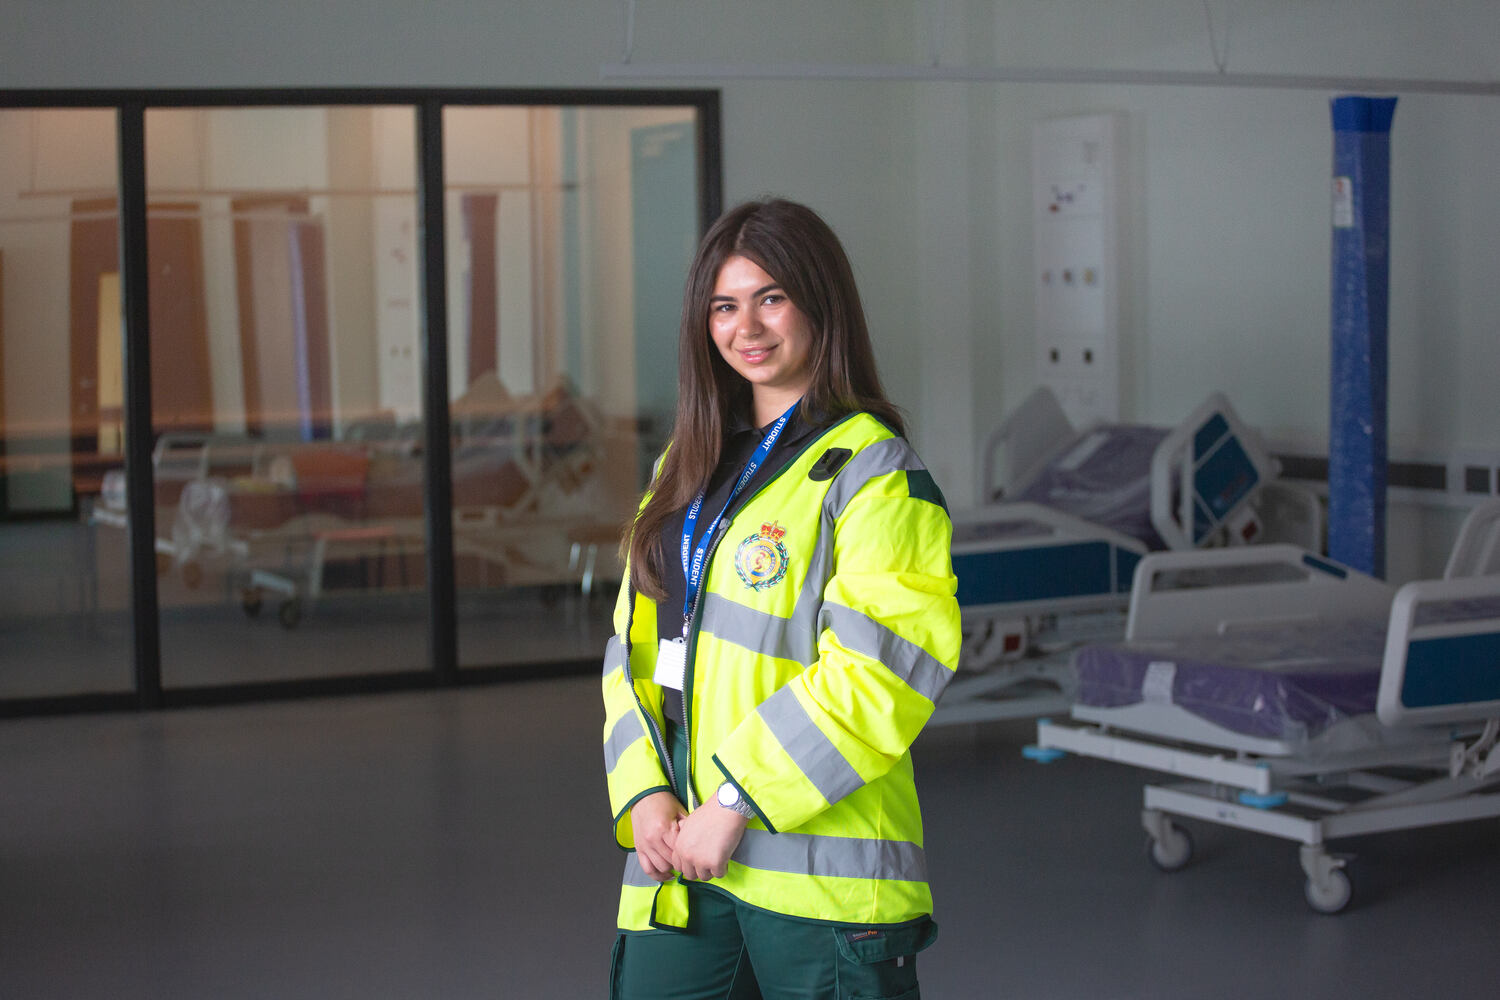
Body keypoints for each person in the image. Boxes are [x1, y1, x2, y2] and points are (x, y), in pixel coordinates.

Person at [601, 198, 961, 1000]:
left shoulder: (875, 475)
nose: (746, 327)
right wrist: (646, 794)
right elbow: (630, 645)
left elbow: (880, 674)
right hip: (679, 858)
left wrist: (736, 798)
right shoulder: (683, 468)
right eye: (725, 306)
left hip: (819, 881)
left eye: (771, 298)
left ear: (818, 304)